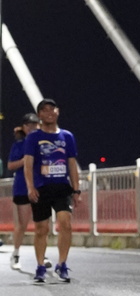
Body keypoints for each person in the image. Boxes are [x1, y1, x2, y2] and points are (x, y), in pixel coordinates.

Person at [23, 98, 81, 284]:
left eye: (52, 109)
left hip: (62, 187)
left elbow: (71, 164)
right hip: (41, 188)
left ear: (58, 112)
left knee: (66, 223)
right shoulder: (33, 137)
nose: (49, 113)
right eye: (44, 110)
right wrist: (30, 187)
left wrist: (76, 189)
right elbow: (28, 164)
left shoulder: (67, 137)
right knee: (42, 229)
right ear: (39, 114)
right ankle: (40, 266)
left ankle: (62, 264)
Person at [6, 112, 49, 269]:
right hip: (22, 188)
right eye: (29, 125)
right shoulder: (19, 145)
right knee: (22, 224)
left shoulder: (43, 143)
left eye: (35, 125)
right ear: (24, 127)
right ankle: (16, 254)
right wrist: (25, 161)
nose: (32, 128)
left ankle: (42, 255)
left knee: (42, 224)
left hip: (40, 187)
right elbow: (10, 165)